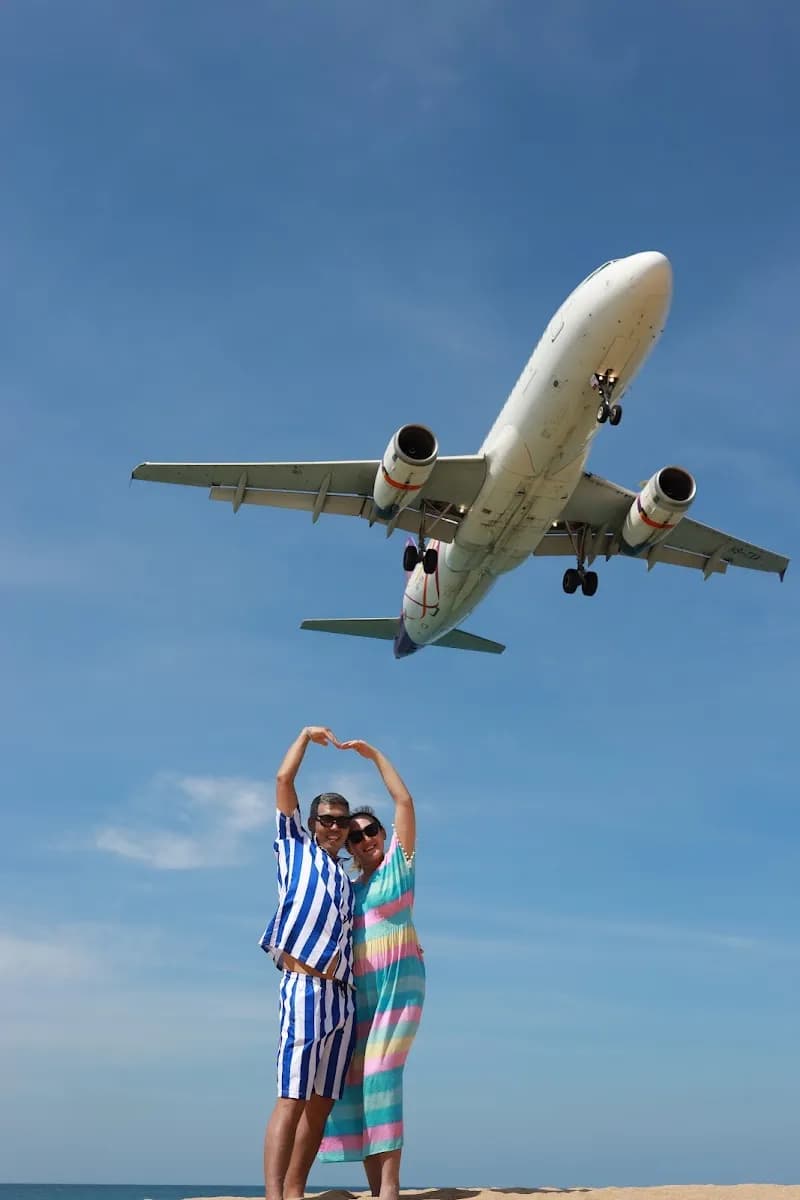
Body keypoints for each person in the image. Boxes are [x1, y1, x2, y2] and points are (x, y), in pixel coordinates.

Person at [317, 739, 425, 1200]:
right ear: (351, 847)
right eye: (355, 836)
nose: (364, 839)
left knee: (382, 1074)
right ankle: (373, 1187)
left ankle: (391, 1190)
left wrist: (375, 756)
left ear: (383, 833)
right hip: (360, 995)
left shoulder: (399, 867)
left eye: (371, 830)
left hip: (399, 989)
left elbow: (405, 801)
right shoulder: (349, 889)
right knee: (359, 1085)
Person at [260, 725, 357, 1200]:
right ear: (312, 822)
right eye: (327, 819)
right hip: (303, 987)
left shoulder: (345, 878)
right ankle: (274, 1194)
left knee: (320, 1104)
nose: (335, 827)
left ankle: (297, 1190)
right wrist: (303, 737)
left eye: (342, 822)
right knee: (292, 1097)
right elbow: (282, 781)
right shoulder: (294, 851)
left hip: (342, 996)